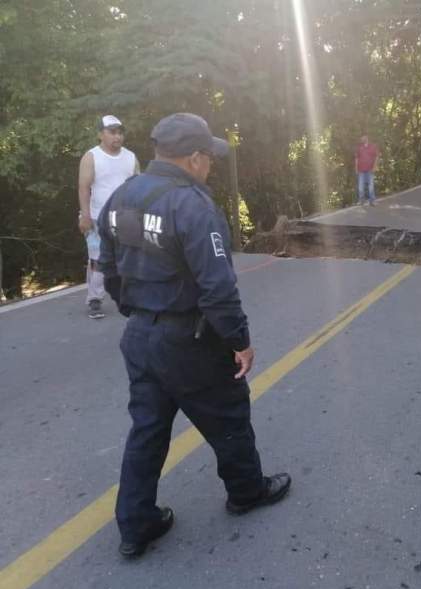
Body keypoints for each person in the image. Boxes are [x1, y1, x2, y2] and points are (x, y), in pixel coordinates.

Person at [97, 113, 291, 558]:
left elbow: (107, 268)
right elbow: (217, 287)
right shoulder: (192, 205)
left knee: (146, 430)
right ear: (195, 158)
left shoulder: (120, 198)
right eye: (209, 158)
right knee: (227, 416)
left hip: (140, 338)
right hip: (191, 342)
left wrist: (138, 312)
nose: (211, 167)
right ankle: (246, 492)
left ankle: (136, 524)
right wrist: (240, 341)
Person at [77, 115, 139, 319]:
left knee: (129, 258)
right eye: (112, 132)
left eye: (120, 132)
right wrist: (85, 216)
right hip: (97, 218)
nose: (117, 136)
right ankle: (95, 299)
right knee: (97, 260)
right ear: (100, 134)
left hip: (125, 218)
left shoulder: (130, 157)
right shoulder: (91, 156)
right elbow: (84, 187)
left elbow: (139, 187)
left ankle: (131, 297)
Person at [355, 134, 380, 206]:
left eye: (363, 137)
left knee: (371, 186)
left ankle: (372, 201)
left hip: (370, 170)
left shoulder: (372, 147)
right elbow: (356, 158)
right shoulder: (359, 148)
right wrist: (356, 168)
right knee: (360, 187)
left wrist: (375, 167)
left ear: (367, 138)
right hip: (361, 170)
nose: (362, 139)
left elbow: (376, 157)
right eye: (361, 138)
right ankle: (361, 201)